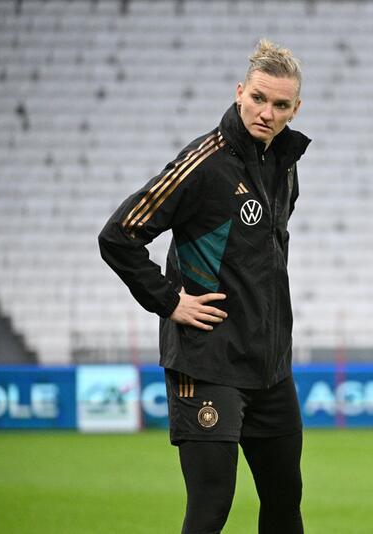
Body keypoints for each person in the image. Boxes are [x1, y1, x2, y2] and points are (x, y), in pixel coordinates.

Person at [99, 39, 310, 534]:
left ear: (294, 109)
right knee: (212, 507)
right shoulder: (204, 163)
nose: (267, 112)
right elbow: (119, 235)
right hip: (207, 360)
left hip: (271, 368)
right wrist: (169, 301)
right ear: (240, 92)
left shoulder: (285, 162)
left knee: (285, 507)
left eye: (280, 105)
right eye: (259, 98)